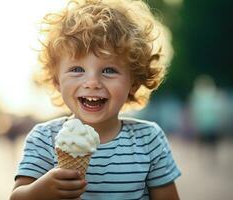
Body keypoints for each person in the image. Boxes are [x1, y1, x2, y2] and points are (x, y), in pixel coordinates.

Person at [10, 0, 181, 199]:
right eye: (77, 69)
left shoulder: (148, 139)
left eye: (109, 70)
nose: (92, 82)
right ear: (57, 80)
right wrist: (38, 191)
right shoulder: (44, 139)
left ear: (133, 82)